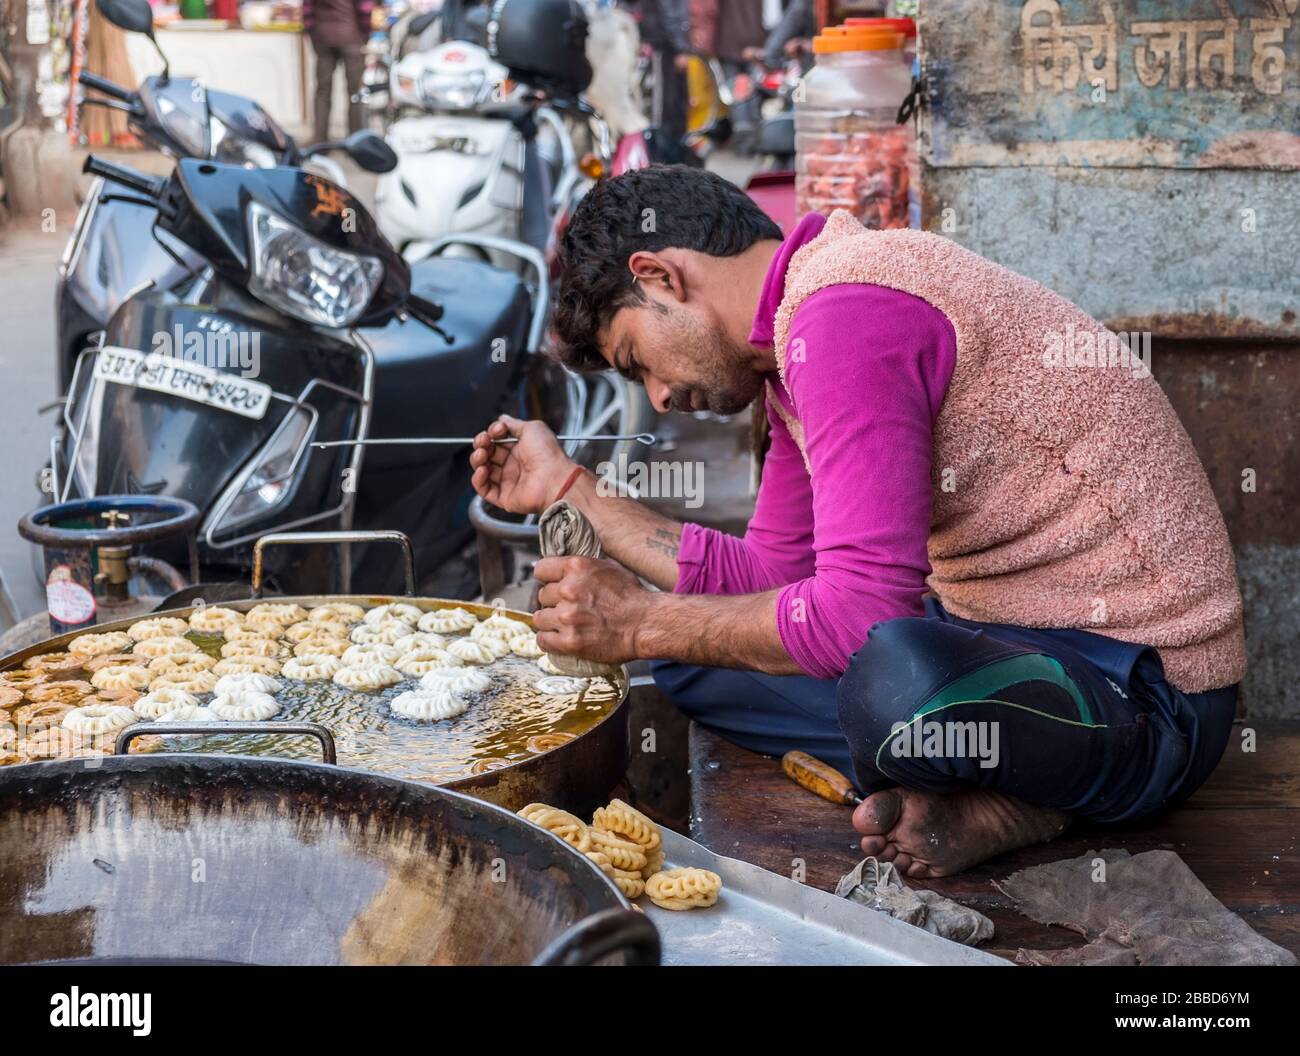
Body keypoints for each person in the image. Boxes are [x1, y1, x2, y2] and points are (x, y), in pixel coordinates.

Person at [470, 165, 1245, 878]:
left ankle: (1029, 796)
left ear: (660, 276)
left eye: (638, 360)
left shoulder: (845, 314)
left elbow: (860, 615)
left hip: (1146, 699)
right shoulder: (794, 340)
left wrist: (641, 625)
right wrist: (571, 489)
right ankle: (963, 781)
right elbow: (777, 578)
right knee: (698, 660)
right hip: (1013, 657)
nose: (661, 397)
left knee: (890, 677)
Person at [304, 0, 374, 143]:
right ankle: (357, 141)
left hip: (322, 36)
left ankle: (320, 139)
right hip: (351, 36)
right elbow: (365, 10)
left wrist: (313, 33)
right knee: (355, 92)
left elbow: (307, 10)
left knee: (322, 91)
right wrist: (364, 35)